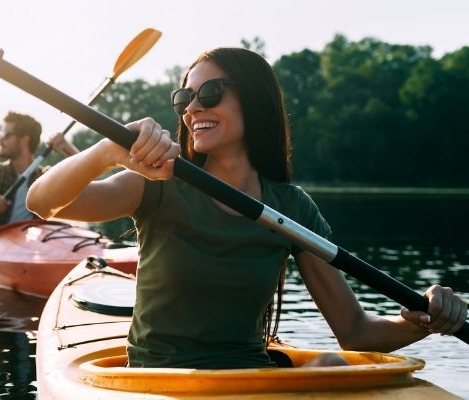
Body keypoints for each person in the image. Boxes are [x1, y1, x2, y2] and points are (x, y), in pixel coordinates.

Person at [26, 48, 467, 369]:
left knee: (331, 364)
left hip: (249, 379)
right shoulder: (157, 184)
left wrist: (424, 320)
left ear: (253, 100)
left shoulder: (292, 209)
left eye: (211, 92)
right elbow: (41, 202)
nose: (194, 107)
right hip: (158, 382)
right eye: (184, 99)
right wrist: (107, 150)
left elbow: (354, 330)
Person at [0, 111, 79, 232]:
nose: (0, 140)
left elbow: (85, 178)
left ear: (24, 140)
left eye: (6, 135)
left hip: (32, 244)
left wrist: (67, 148)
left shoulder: (45, 177)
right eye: (0, 135)